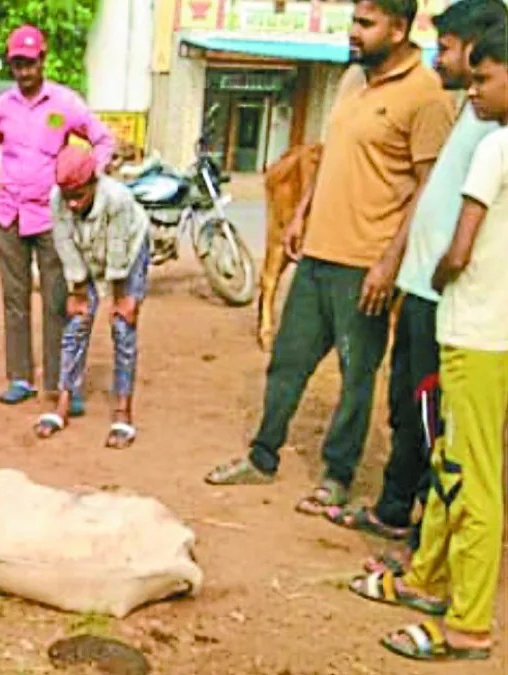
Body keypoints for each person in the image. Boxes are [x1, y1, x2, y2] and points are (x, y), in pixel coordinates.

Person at [204, 0, 455, 517]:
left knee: (355, 375)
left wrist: (388, 263)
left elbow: (429, 188)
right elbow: (329, 153)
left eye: (366, 24)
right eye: (353, 22)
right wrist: (300, 215)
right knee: (287, 363)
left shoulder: (426, 96)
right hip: (318, 251)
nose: (353, 34)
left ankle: (336, 477)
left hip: (366, 264)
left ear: (400, 27)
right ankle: (262, 455)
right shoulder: (351, 81)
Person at [321, 0, 508, 571]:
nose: (441, 59)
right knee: (410, 411)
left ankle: (428, 548)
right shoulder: (473, 115)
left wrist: (442, 269)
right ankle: (397, 513)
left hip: (451, 302)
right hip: (426, 293)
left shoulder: (487, 127)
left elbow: (469, 231)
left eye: (448, 49)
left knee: (440, 432)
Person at [0, 24, 115, 407]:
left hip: (52, 218)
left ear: (43, 60)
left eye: (30, 63)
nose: (24, 72)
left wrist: (88, 179)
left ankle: (60, 384)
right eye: (17, 64)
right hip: (7, 216)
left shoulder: (65, 104)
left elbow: (103, 139)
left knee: (58, 300)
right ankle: (20, 378)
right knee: (15, 299)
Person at [34, 145, 149, 447]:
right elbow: (65, 246)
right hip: (87, 252)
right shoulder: (57, 200)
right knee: (76, 323)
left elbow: (118, 249)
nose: (72, 204)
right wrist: (78, 290)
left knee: (123, 327)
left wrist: (122, 298)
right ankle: (62, 402)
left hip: (128, 251)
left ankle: (123, 412)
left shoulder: (117, 199)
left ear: (94, 183)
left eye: (79, 196)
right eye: (67, 196)